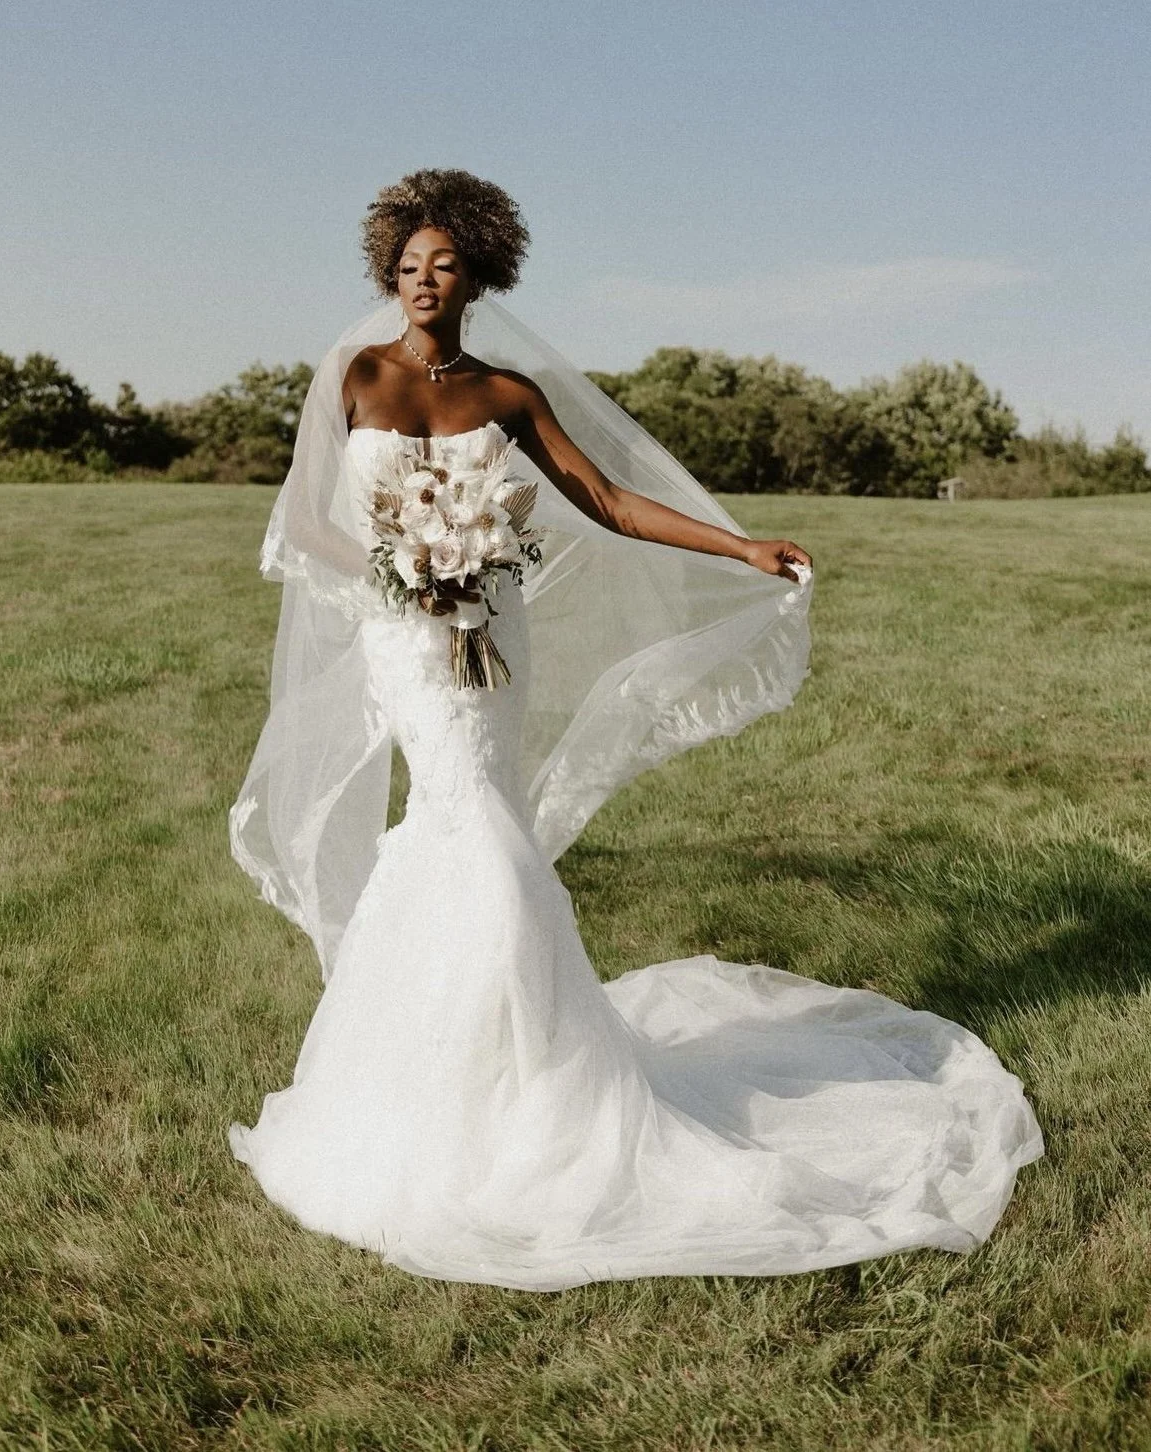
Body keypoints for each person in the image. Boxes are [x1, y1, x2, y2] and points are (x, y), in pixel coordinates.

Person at [228, 169, 1043, 1291]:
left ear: (478, 271)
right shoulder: (352, 374)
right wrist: (398, 577)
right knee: (464, 833)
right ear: (389, 274)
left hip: (489, 639)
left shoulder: (507, 393)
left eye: (444, 265)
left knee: (481, 827)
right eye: (407, 267)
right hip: (402, 635)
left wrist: (738, 547)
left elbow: (603, 499)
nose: (422, 282)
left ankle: (526, 1084)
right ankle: (448, 1092)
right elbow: (304, 520)